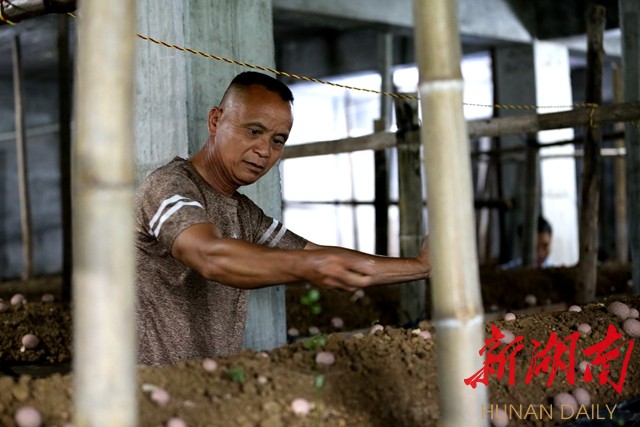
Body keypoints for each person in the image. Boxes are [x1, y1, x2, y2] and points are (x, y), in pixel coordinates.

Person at [134, 71, 430, 366]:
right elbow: (208, 256)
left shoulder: (244, 213)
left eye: (278, 140)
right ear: (215, 121)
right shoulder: (169, 186)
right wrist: (312, 267)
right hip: (142, 391)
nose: (264, 151)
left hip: (205, 389)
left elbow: (319, 255)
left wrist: (421, 266)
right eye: (253, 131)